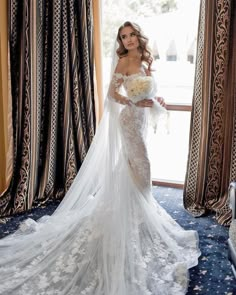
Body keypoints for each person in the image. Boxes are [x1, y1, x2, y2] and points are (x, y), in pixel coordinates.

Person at [0, 21, 200, 295]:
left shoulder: (145, 58)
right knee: (142, 167)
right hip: (129, 121)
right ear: (121, 40)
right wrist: (132, 101)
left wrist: (155, 99)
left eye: (131, 35)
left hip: (141, 120)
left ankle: (138, 222)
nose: (128, 40)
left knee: (133, 169)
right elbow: (112, 94)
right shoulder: (123, 61)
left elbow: (147, 89)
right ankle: (139, 223)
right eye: (123, 36)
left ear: (138, 36)